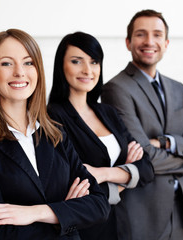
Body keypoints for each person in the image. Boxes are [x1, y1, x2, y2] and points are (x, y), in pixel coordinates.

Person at [0, 29, 110, 240]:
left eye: (28, 62)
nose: (19, 72)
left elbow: (99, 205)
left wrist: (35, 213)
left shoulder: (56, 133)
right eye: (7, 63)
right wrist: (64, 213)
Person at [101, 10, 183, 240]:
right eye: (141, 34)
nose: (149, 41)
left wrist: (166, 142)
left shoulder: (178, 89)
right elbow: (142, 154)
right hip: (142, 215)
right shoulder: (116, 89)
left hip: (179, 212)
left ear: (166, 43)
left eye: (157, 34)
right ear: (128, 42)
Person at [47, 31, 154, 240]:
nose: (87, 70)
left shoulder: (107, 112)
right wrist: (127, 173)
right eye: (77, 61)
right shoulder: (51, 118)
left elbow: (147, 168)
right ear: (61, 66)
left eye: (94, 62)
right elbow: (74, 190)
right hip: (85, 230)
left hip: (120, 225)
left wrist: (103, 173)